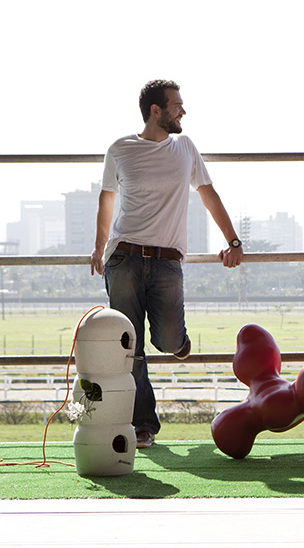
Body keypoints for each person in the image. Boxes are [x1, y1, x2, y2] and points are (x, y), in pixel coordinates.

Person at [90, 80, 244, 448]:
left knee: (169, 339)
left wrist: (233, 240)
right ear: (155, 111)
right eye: (176, 105)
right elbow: (106, 199)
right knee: (132, 348)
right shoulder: (121, 149)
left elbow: (208, 195)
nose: (183, 111)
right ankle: (144, 426)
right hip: (124, 257)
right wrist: (99, 249)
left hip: (167, 262)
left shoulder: (185, 148)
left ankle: (178, 341)